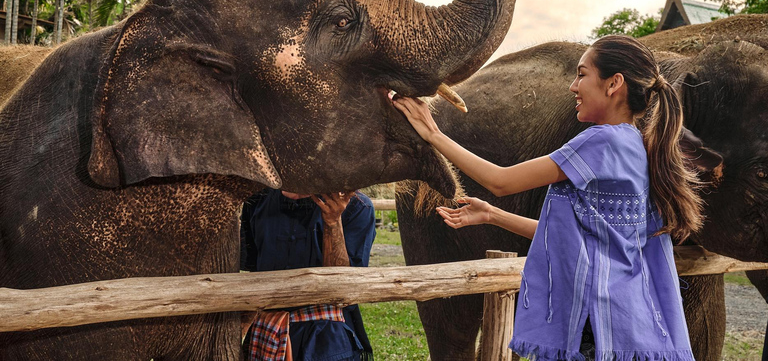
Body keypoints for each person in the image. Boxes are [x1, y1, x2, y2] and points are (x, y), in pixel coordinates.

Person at [392, 35, 700, 361]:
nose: (573, 86)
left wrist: (432, 133)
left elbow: (501, 180)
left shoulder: (601, 141)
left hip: (593, 326)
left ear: (614, 84)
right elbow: (578, 237)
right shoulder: (635, 145)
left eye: (582, 74)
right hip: (624, 325)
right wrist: (492, 215)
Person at [240, 188, 376, 361]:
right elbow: (253, 273)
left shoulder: (357, 206)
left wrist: (333, 222)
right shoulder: (257, 200)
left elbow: (343, 289)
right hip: (267, 332)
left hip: (327, 340)